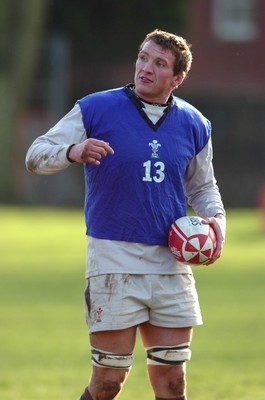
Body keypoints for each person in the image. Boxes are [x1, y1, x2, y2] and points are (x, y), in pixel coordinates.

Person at [25, 29, 226, 400]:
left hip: (171, 265)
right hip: (113, 260)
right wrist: (73, 150)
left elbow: (203, 187)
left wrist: (217, 223)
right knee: (108, 382)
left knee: (172, 381)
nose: (146, 68)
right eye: (143, 57)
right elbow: (36, 155)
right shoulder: (95, 108)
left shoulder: (195, 123)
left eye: (159, 63)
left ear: (177, 79)